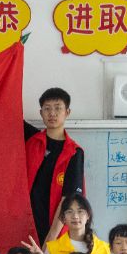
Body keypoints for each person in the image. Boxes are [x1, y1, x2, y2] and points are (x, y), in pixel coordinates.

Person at [24, 87, 85, 243]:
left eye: (58, 108)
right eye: (47, 108)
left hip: (56, 231)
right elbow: (6, 113)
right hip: (26, 226)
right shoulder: (32, 140)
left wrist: (50, 240)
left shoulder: (74, 152)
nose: (52, 113)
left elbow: (68, 200)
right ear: (41, 113)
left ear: (67, 112)